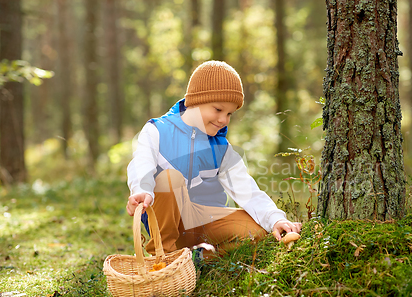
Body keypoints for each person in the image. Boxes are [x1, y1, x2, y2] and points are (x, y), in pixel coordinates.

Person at [126, 60, 301, 258]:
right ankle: (163, 257)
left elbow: (247, 190)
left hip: (205, 221)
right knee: (169, 178)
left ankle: (199, 258)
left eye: (229, 114)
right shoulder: (158, 130)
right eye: (218, 109)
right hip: (168, 223)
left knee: (259, 232)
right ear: (195, 101)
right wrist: (141, 190)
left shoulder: (221, 148)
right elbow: (141, 163)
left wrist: (274, 218)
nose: (224, 120)